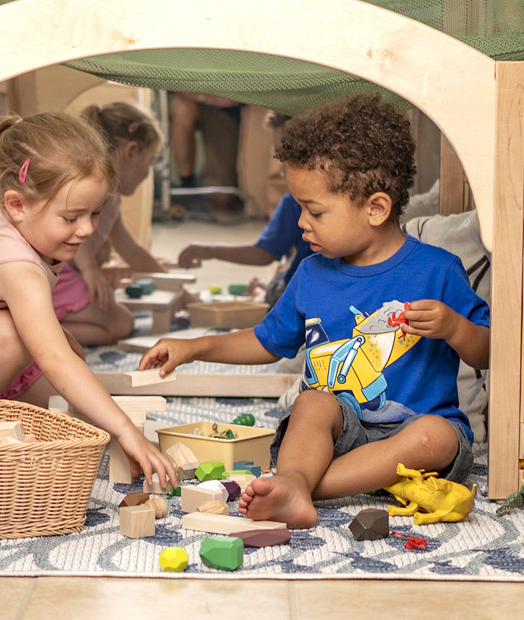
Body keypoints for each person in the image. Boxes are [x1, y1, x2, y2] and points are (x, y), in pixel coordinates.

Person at [137, 94, 489, 528]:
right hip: (336, 437)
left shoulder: (438, 270)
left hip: (411, 441)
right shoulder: (311, 273)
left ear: (376, 208)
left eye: (314, 211)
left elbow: (487, 354)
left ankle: (297, 486)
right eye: (299, 207)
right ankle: (297, 480)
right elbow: (266, 342)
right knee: (312, 404)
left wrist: (454, 327)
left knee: (435, 435)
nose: (301, 223)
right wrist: (193, 347)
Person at [0, 111, 177, 488]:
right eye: (71, 218)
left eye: (95, 213)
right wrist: (126, 430)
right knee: (20, 340)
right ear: (17, 205)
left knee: (76, 420)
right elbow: (52, 357)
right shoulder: (17, 266)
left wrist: (112, 429)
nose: (86, 229)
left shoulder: (25, 225)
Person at [53, 102, 168, 346]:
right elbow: (75, 229)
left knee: (118, 322)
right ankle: (38, 333)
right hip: (57, 279)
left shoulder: (111, 194)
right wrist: (91, 270)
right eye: (148, 162)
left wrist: (169, 280)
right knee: (122, 322)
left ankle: (46, 330)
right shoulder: (94, 187)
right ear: (131, 151)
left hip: (70, 276)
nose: (147, 173)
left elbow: (130, 249)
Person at [175, 192, 314, 307]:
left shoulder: (293, 200)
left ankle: (262, 294)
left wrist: (210, 251)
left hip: (298, 296)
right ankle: (264, 291)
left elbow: (263, 255)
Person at [167, 92, 244, 219]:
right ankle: (187, 187)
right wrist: (207, 97)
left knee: (221, 198)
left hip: (227, 108)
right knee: (183, 109)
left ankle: (207, 183)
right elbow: (168, 80)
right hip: (194, 97)